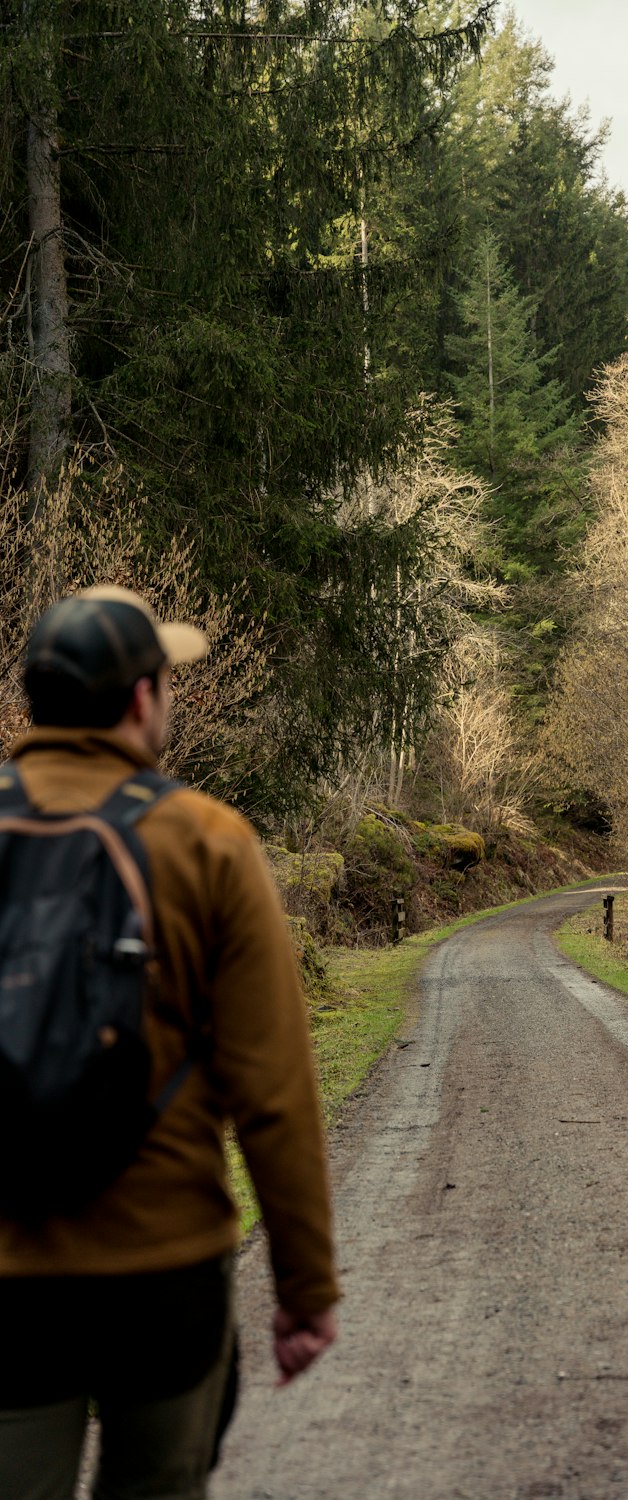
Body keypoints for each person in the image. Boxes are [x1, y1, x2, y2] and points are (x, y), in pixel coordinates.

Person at [0, 585, 339, 1500]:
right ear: (144, 699)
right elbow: (273, 1089)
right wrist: (306, 1290)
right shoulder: (207, 841)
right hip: (162, 1270)